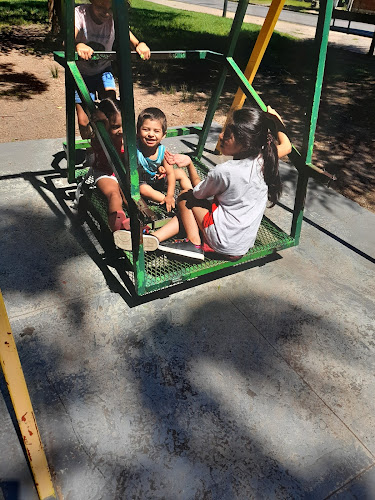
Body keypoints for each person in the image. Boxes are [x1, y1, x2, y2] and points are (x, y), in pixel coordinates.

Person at [149, 105, 292, 260]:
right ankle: (156, 238)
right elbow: (287, 146)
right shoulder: (264, 159)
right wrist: (277, 121)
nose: (220, 136)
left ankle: (193, 243)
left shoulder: (226, 171)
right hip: (242, 246)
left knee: (185, 197)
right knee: (200, 209)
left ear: (244, 143)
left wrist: (190, 165)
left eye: (227, 135)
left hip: (222, 244)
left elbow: (197, 193)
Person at [75, 0, 151, 140]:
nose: (106, 12)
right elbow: (66, 42)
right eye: (100, 7)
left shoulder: (115, 18)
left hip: (103, 70)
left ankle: (110, 145)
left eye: (111, 9)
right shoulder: (80, 14)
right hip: (81, 73)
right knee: (84, 121)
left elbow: (132, 41)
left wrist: (140, 45)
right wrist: (78, 45)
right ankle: (91, 148)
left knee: (111, 110)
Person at [89, 98, 158, 250]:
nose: (121, 130)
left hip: (122, 173)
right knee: (115, 195)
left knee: (132, 195)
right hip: (105, 173)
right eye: (115, 126)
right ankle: (118, 229)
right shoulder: (101, 139)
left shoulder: (129, 137)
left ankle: (143, 221)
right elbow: (96, 143)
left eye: (124, 126)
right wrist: (104, 126)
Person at [136, 107, 192, 212]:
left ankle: (190, 194)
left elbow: (170, 174)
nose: (151, 134)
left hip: (157, 180)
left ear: (163, 135)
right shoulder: (135, 148)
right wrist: (168, 197)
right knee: (142, 189)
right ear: (138, 131)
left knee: (180, 173)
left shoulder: (163, 151)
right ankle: (171, 203)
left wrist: (170, 194)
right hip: (143, 182)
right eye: (146, 129)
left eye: (156, 131)